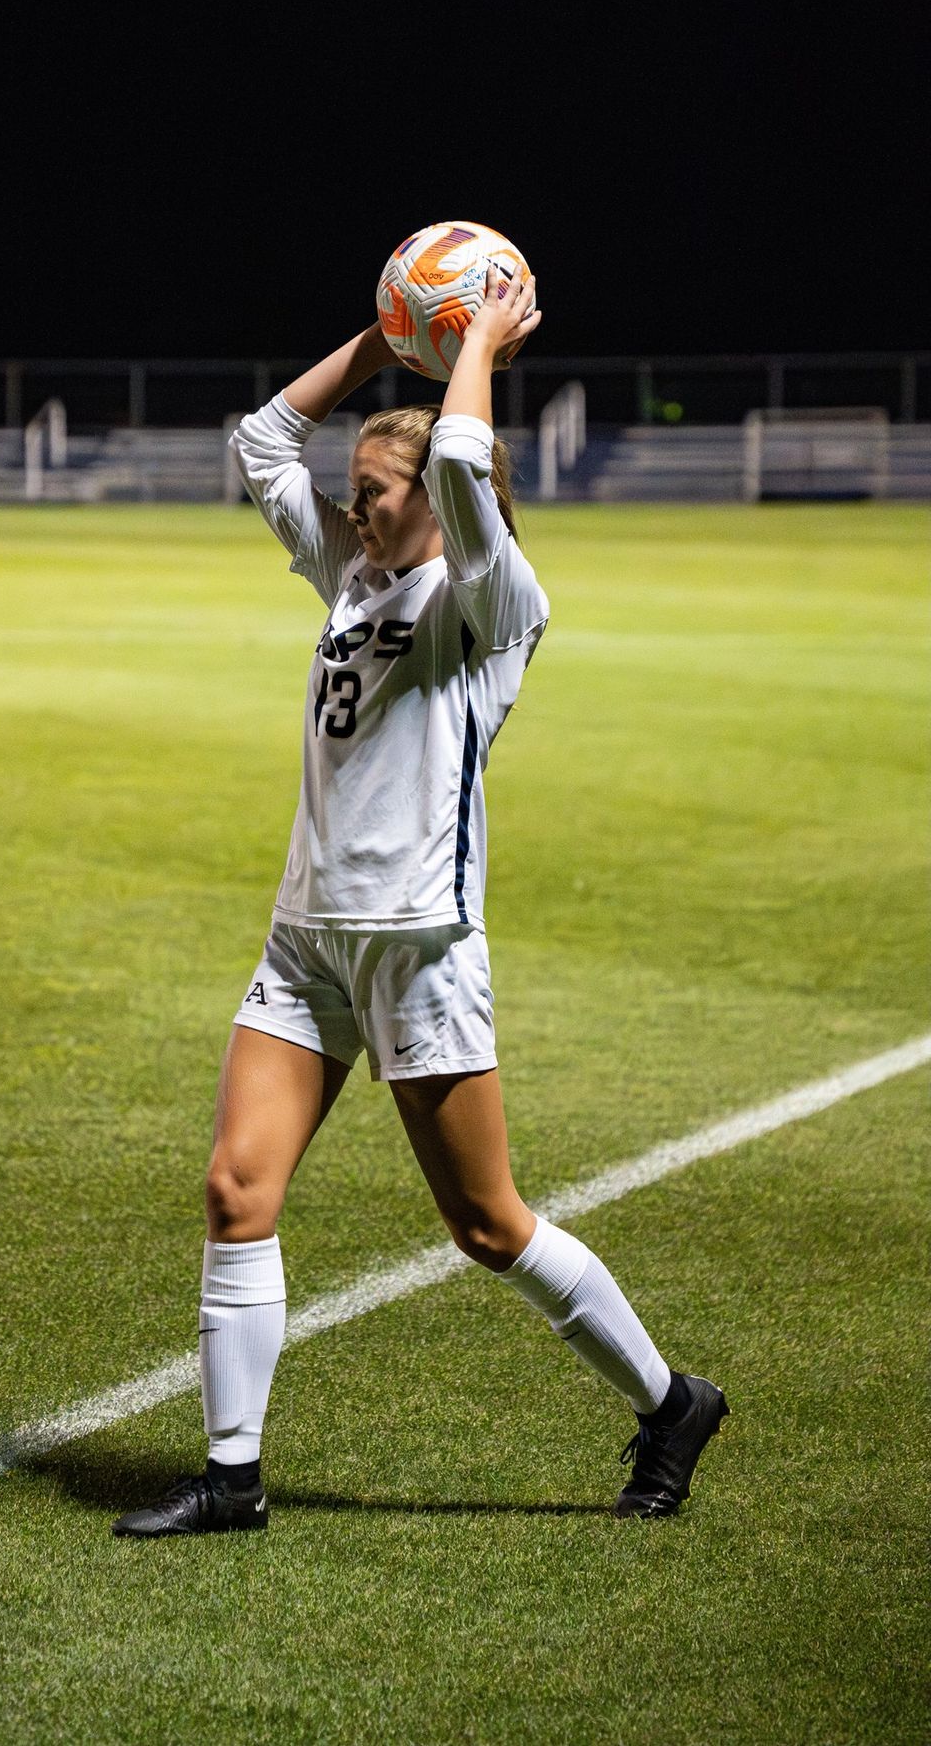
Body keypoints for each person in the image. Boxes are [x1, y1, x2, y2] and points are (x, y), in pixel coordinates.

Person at [114, 268, 727, 1538]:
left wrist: (476, 346)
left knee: (487, 1226)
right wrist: (390, 337)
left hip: (416, 948)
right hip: (307, 939)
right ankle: (234, 1478)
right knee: (238, 1189)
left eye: (375, 493)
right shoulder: (353, 574)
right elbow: (261, 439)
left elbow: (459, 458)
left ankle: (671, 1402)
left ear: (436, 508)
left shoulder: (489, 603)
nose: (354, 506)